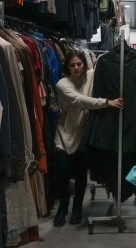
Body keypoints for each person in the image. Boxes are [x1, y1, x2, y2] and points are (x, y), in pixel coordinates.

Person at [53, 49, 124, 226]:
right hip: (64, 135)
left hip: (83, 137)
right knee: (62, 174)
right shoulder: (62, 84)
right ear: (67, 67)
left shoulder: (90, 75)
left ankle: (77, 209)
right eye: (72, 65)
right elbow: (80, 100)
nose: (76, 68)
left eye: (79, 64)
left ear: (84, 65)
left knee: (80, 175)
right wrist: (107, 102)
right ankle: (63, 208)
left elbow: (103, 63)